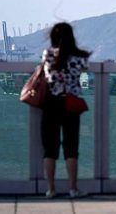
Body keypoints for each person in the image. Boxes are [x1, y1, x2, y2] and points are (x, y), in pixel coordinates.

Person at [41, 22, 91, 199]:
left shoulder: (48, 55)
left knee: (50, 148)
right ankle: (73, 188)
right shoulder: (80, 57)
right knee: (71, 147)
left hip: (51, 103)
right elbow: (84, 76)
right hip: (71, 104)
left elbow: (47, 77)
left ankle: (51, 189)